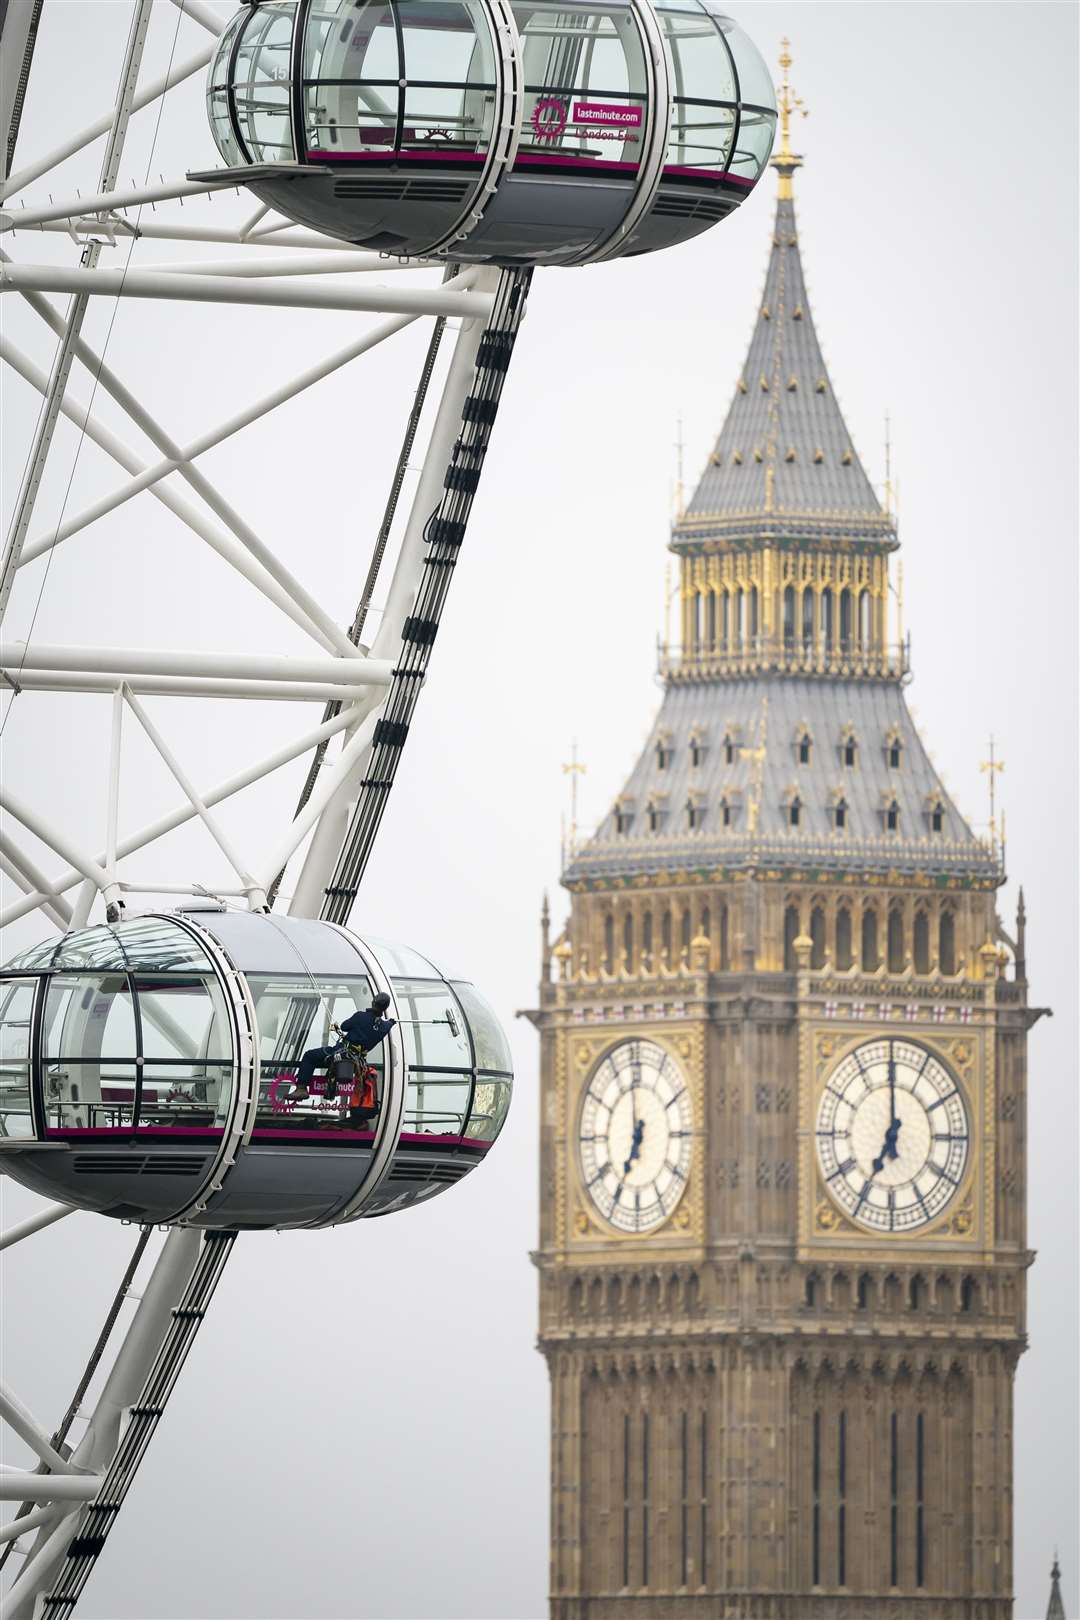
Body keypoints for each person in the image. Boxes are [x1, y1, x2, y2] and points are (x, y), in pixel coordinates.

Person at [290, 992, 396, 1102]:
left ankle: (301, 1088)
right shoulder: (384, 1027)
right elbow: (389, 1023)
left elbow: (344, 1026)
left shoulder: (360, 1016)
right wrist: (391, 1022)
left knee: (310, 1056)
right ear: (385, 1008)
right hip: (357, 1062)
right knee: (318, 1057)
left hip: (342, 1054)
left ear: (373, 1002)